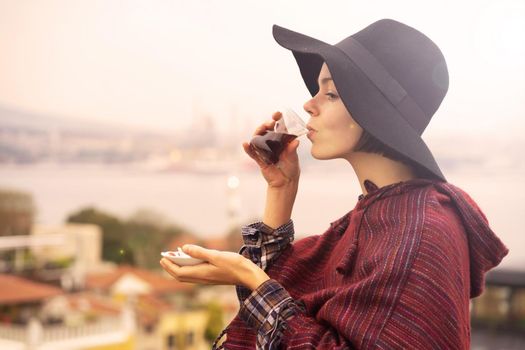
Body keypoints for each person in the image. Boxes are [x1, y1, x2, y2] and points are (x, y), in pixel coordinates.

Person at [160, 19, 509, 349]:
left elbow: (287, 313)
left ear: (372, 112)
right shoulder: (383, 213)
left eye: (331, 94)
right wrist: (281, 189)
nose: (309, 105)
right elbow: (290, 298)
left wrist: (250, 278)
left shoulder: (419, 233)